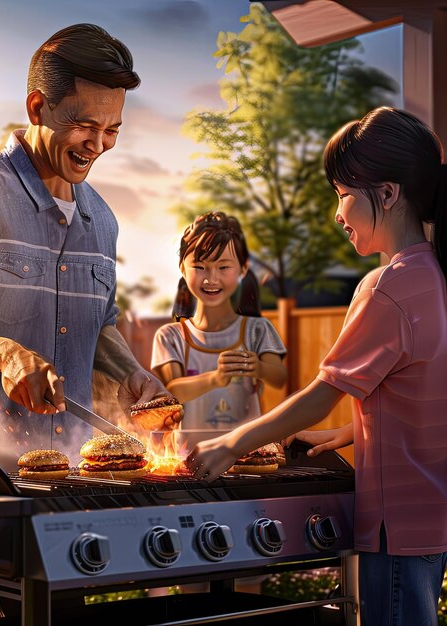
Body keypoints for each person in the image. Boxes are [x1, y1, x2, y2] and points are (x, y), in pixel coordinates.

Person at [0, 23, 169, 624]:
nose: (99, 145)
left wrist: (132, 374)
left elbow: (101, 323)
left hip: (69, 500)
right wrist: (5, 354)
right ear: (36, 107)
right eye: (85, 127)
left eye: (113, 131)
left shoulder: (102, 220)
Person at [186, 107, 447, 626]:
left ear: (389, 193)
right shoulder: (432, 275)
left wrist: (231, 443)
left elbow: (321, 391)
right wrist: (350, 432)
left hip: (393, 524)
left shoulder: (387, 287)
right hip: (429, 517)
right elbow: (423, 390)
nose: (338, 213)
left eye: (343, 194)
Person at [152, 212, 287, 431]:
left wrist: (258, 368)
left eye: (223, 267)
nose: (211, 279)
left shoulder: (257, 329)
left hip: (246, 455)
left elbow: (279, 378)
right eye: (199, 267)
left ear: (243, 269)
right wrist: (216, 378)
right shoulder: (171, 335)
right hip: (186, 458)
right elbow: (172, 391)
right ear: (182, 269)